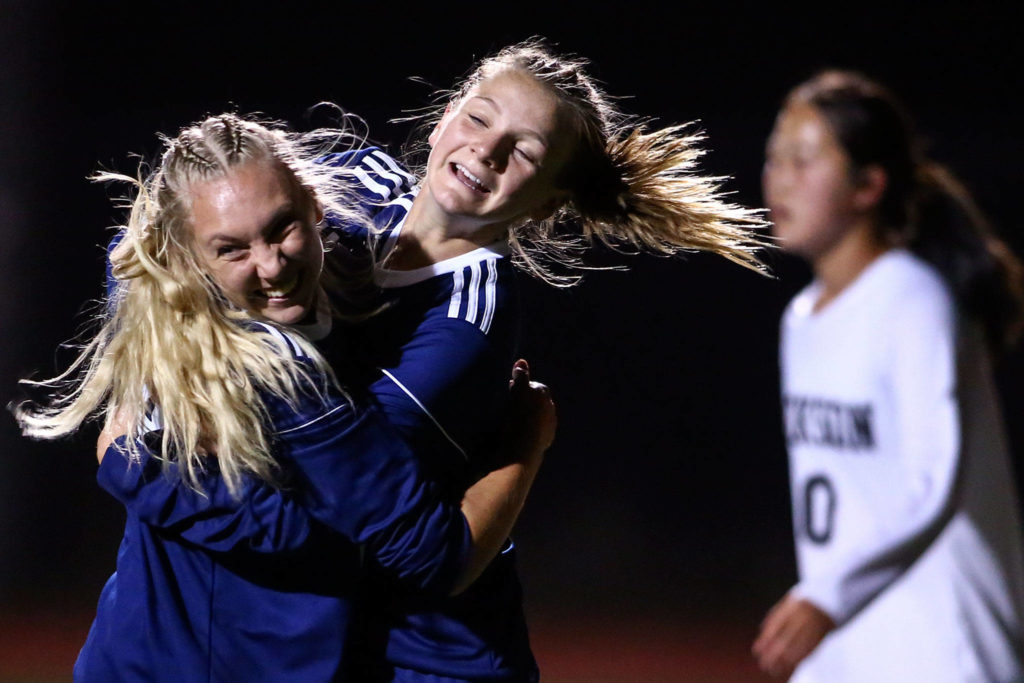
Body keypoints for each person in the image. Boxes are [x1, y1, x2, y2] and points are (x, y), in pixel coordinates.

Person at [97, 39, 770, 682]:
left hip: (428, 653)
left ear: (551, 200)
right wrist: (146, 360)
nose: (487, 149)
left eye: (524, 152)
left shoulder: (462, 327)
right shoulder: (356, 176)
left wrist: (131, 461)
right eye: (479, 117)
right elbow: (176, 225)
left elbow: (351, 510)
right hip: (337, 638)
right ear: (448, 113)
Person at [12, 113, 555, 682]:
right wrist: (525, 440)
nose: (271, 265)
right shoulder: (277, 372)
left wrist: (127, 456)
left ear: (316, 206)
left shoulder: (343, 233)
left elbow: (130, 252)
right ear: (187, 261)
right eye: (232, 249)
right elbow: (431, 555)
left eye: (281, 229)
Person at [752, 70, 1024, 681]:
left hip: (945, 645)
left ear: (868, 185)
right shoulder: (801, 319)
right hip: (852, 642)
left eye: (803, 159)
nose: (778, 178)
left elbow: (934, 479)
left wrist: (829, 595)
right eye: (773, 158)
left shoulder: (913, 299)